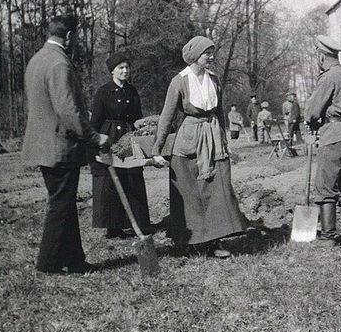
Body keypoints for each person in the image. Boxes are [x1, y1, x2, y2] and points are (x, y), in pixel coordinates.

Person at [22, 15, 109, 274]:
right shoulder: (60, 64)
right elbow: (67, 111)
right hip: (59, 146)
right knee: (61, 204)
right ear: (69, 36)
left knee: (65, 202)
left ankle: (74, 260)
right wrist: (94, 137)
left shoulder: (37, 59)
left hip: (43, 144)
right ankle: (47, 263)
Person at [152, 36, 247, 258]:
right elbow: (167, 116)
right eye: (208, 53)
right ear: (195, 56)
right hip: (189, 141)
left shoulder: (214, 80)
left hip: (213, 137)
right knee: (190, 193)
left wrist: (223, 139)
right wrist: (157, 148)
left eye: (212, 52)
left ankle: (216, 240)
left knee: (217, 189)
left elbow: (220, 112)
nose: (212, 57)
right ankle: (191, 241)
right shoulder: (179, 81)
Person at [305, 35, 341, 244]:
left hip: (334, 134)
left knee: (325, 186)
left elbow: (313, 110)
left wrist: (311, 123)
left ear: (321, 57)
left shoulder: (328, 77)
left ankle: (328, 236)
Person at [90, 51, 151, 239]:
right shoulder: (103, 92)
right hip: (109, 135)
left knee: (131, 176)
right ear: (112, 71)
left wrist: (143, 128)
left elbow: (137, 117)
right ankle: (112, 225)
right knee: (110, 179)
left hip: (128, 136)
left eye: (127, 67)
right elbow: (96, 120)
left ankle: (132, 223)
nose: (125, 71)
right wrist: (97, 141)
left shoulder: (132, 91)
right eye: (121, 68)